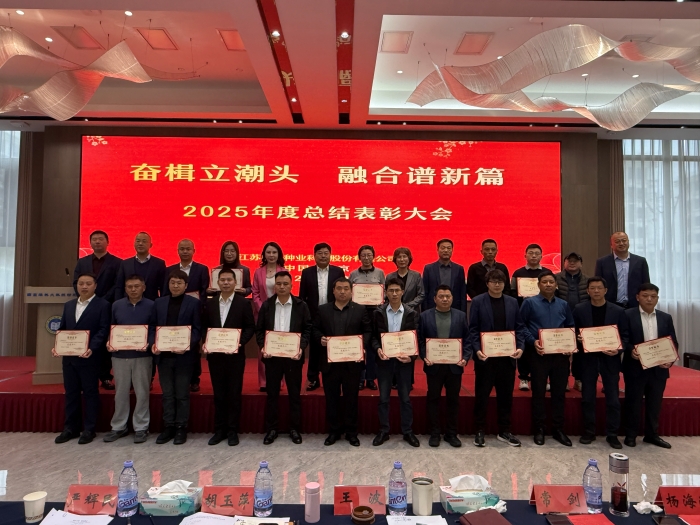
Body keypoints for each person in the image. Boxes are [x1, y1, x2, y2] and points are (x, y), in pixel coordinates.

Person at [469, 270, 527, 448]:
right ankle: (479, 430)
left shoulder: (512, 302)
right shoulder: (478, 301)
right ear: (487, 283)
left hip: (507, 358)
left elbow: (519, 327)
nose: (497, 285)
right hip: (485, 358)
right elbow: (473, 329)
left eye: (500, 282)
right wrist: (477, 350)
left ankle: (504, 431)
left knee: (505, 396)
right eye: (493, 281)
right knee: (482, 396)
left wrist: (520, 347)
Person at [53, 272, 111, 445]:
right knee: (71, 393)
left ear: (95, 286)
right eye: (81, 283)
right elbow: (63, 329)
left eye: (88, 283)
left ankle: (89, 429)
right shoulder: (69, 305)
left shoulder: (103, 305)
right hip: (69, 358)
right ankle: (70, 428)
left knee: (90, 392)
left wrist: (91, 348)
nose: (84, 287)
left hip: (90, 357)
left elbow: (103, 330)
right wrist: (57, 346)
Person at [313, 277, 372, 447]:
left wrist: (361, 344)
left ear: (351, 291)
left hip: (351, 363)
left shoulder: (360, 310)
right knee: (331, 399)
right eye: (339, 288)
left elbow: (368, 331)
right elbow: (314, 329)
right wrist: (320, 339)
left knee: (351, 399)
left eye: (346, 288)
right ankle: (334, 431)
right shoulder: (323, 310)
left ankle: (351, 432)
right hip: (330, 363)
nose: (342, 291)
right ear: (333, 291)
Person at [256, 271, 312, 445]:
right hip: (272, 358)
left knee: (294, 395)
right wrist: (263, 346)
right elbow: (259, 330)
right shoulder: (267, 305)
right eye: (278, 284)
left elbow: (308, 329)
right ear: (274, 286)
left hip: (293, 358)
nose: (281, 287)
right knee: (272, 395)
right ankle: (272, 429)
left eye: (285, 284)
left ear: (291, 285)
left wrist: (301, 346)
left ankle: (294, 429)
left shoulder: (301, 305)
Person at [520, 270, 575, 447]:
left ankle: (558, 429)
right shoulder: (529, 303)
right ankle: (539, 429)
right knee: (538, 392)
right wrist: (533, 341)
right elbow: (521, 326)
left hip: (560, 356)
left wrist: (569, 345)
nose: (548, 285)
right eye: (544, 282)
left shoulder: (563, 304)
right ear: (538, 285)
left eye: (551, 282)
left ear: (556, 284)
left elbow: (570, 325)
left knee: (559, 393)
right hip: (539, 354)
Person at [573, 277, 629, 449]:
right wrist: (577, 338)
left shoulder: (618, 311)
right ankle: (589, 432)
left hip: (610, 359)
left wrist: (618, 349)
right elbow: (573, 331)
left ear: (605, 290)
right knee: (587, 398)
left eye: (599, 288)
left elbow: (625, 335)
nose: (596, 291)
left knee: (613, 398)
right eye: (592, 288)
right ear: (587, 291)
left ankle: (612, 434)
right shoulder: (579, 309)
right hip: (587, 359)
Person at [202, 268, 255, 446]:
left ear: (235, 282)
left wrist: (240, 342)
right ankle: (219, 430)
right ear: (217, 283)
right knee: (218, 394)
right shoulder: (210, 303)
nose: (225, 283)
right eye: (222, 280)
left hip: (235, 356)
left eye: (229, 280)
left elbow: (250, 327)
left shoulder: (243, 303)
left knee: (233, 394)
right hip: (215, 356)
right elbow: (204, 327)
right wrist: (207, 341)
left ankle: (232, 430)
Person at [623, 283, 677, 449]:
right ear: (637, 297)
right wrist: (631, 350)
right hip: (635, 367)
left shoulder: (665, 317)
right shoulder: (627, 315)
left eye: (653, 296)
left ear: (657, 299)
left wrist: (670, 360)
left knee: (655, 403)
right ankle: (630, 435)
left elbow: (673, 341)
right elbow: (623, 338)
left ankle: (652, 435)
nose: (649, 299)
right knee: (633, 402)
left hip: (658, 368)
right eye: (645, 295)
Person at [152, 270, 201, 445]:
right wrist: (153, 343)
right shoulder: (159, 303)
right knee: (167, 394)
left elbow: (197, 329)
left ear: (186, 286)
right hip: (163, 356)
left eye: (179, 283)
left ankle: (181, 427)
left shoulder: (194, 303)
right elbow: (152, 327)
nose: (175, 286)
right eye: (172, 282)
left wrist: (186, 345)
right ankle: (169, 426)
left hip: (184, 357)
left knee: (181, 394)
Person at [104, 275, 154, 444]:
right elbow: (111, 328)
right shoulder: (116, 305)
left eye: (136, 286)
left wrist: (149, 343)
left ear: (143, 288)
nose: (133, 289)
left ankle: (141, 427)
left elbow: (154, 329)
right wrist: (110, 342)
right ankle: (119, 426)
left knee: (142, 392)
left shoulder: (152, 305)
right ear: (125, 289)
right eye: (129, 286)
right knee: (120, 392)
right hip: (120, 356)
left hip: (142, 356)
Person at [418, 285, 470, 448]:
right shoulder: (424, 316)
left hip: (454, 366)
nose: (445, 299)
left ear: (452, 298)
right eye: (441, 296)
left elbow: (467, 340)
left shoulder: (461, 316)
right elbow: (420, 340)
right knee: (433, 399)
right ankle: (434, 433)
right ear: (435, 299)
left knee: (453, 400)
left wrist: (465, 357)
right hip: (433, 365)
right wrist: (425, 356)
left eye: (448, 296)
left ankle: (451, 433)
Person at [371, 278, 419, 447]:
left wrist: (411, 357)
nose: (394, 294)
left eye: (397, 290)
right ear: (386, 292)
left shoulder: (411, 313)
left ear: (402, 292)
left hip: (404, 362)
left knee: (405, 398)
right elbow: (374, 337)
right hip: (384, 361)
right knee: (383, 398)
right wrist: (378, 349)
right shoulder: (378, 313)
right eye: (390, 290)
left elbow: (416, 338)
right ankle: (384, 431)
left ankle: (408, 431)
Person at [73, 230, 122, 391]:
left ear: (107, 242)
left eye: (101, 239)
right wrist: (88, 299)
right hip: (86, 307)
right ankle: (86, 375)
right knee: (88, 338)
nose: (97, 242)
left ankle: (105, 376)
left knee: (105, 339)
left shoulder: (117, 262)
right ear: (90, 243)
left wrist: (102, 300)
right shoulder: (82, 262)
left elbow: (118, 284)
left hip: (108, 305)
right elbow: (76, 282)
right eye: (94, 239)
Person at [163, 239, 210, 393]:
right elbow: (165, 291)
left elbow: (204, 291)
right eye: (182, 249)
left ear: (193, 251)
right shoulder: (170, 269)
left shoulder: (202, 269)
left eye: (188, 249)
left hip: (194, 311)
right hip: (173, 310)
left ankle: (194, 379)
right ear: (177, 251)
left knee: (193, 346)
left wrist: (197, 307)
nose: (185, 251)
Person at [298, 242, 345, 391]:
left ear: (330, 255)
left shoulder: (338, 271)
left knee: (332, 346)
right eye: (320, 253)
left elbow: (343, 293)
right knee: (314, 348)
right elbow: (302, 296)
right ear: (314, 255)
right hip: (313, 316)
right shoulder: (307, 272)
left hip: (333, 315)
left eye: (326, 253)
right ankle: (313, 378)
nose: (323, 256)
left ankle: (333, 377)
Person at [349, 245, 385, 391]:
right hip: (358, 313)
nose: (366, 258)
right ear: (359, 257)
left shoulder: (380, 273)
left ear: (373, 256)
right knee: (359, 346)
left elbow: (384, 292)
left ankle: (370, 378)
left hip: (375, 313)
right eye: (363, 255)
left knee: (371, 347)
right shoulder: (353, 274)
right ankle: (360, 378)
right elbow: (350, 293)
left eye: (369, 255)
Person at [509, 243, 544, 391]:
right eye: (531, 253)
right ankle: (523, 377)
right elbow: (512, 293)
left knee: (542, 343)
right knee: (523, 343)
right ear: (525, 255)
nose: (534, 256)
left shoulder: (547, 272)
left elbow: (553, 291)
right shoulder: (518, 273)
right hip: (523, 313)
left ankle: (544, 377)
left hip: (542, 314)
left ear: (541, 256)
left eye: (537, 253)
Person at [252, 242, 286, 391]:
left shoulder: (284, 271)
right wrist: (263, 310)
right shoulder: (258, 272)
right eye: (268, 252)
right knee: (263, 349)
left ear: (279, 255)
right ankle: (263, 382)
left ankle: (278, 382)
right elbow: (255, 293)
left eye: (274, 252)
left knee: (279, 347)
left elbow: (285, 292)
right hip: (262, 314)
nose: (271, 255)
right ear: (264, 255)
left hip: (280, 313)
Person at [555, 252, 589, 391]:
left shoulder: (588, 280)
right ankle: (562, 380)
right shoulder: (556, 278)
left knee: (581, 351)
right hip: (561, 318)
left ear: (581, 263)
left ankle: (578, 379)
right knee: (562, 350)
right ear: (564, 263)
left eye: (576, 260)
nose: (572, 263)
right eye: (569, 260)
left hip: (582, 319)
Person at [595, 232, 650, 309]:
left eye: (624, 240)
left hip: (635, 305)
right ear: (611, 245)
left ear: (628, 242)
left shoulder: (640, 261)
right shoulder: (602, 262)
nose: (621, 243)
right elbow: (598, 284)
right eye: (617, 241)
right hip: (611, 305)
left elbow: (646, 284)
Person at [115, 232, 166, 301]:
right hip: (129, 303)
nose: (140, 244)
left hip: (152, 303)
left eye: (144, 241)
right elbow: (119, 287)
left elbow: (163, 287)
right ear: (134, 244)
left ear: (151, 245)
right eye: (138, 241)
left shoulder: (159, 263)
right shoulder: (125, 264)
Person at [422, 239, 466, 312]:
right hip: (432, 308)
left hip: (454, 308)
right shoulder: (429, 268)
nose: (446, 250)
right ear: (437, 249)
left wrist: (463, 312)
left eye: (449, 248)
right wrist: (424, 312)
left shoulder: (459, 269)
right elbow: (425, 291)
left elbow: (462, 292)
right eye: (443, 248)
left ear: (452, 250)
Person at [387, 247, 425, 312]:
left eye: (404, 256)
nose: (402, 259)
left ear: (409, 259)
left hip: (412, 311)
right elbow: (387, 295)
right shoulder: (390, 277)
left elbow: (421, 295)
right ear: (395, 260)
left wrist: (406, 306)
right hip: (394, 310)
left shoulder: (416, 276)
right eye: (399, 257)